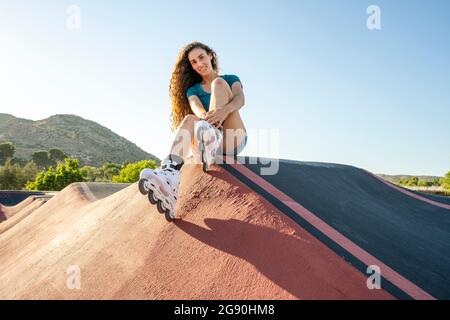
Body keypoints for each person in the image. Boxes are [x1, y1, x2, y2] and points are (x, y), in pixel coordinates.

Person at [138, 41, 247, 221]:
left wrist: (224, 110)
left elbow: (240, 99)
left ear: (211, 55)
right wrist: (206, 118)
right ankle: (169, 176)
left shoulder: (230, 79)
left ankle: (212, 135)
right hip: (205, 138)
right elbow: (196, 108)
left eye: (201, 57)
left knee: (218, 83)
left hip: (232, 137)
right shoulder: (193, 90)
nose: (199, 64)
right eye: (194, 62)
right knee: (189, 119)